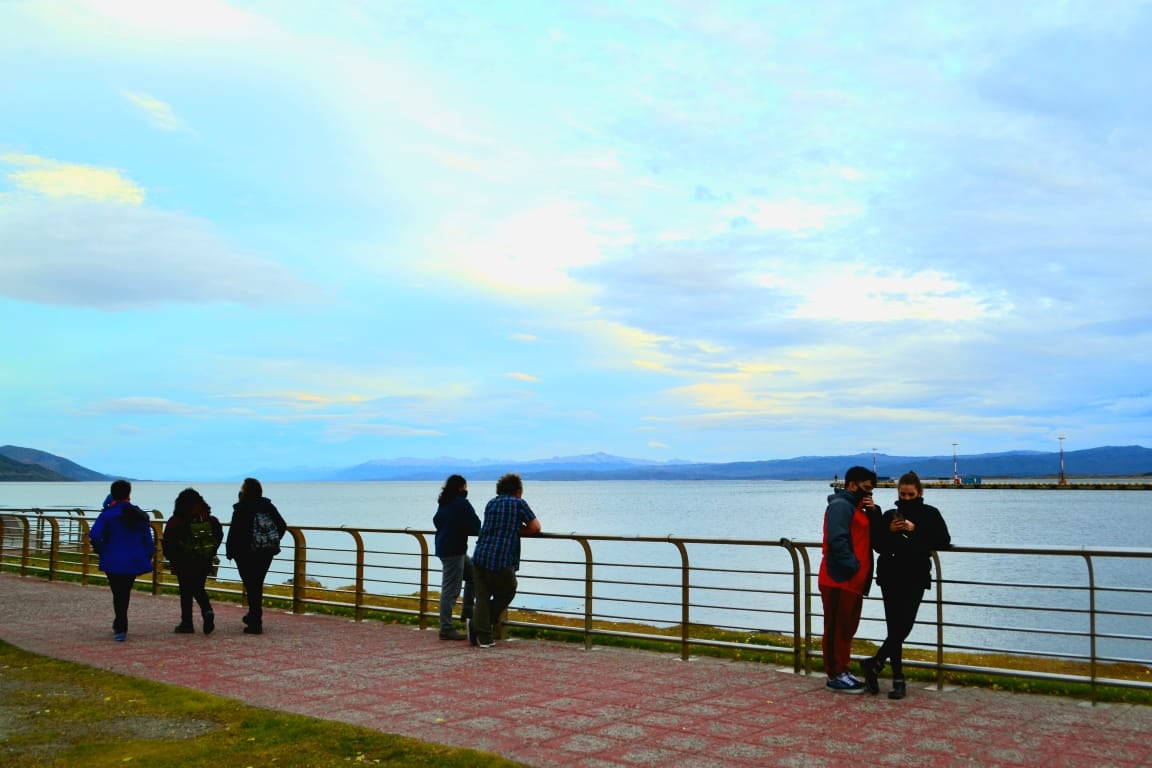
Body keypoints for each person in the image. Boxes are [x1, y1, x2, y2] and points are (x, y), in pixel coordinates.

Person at [861, 471, 952, 699]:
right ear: (898, 492)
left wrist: (914, 529)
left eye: (911, 494)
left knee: (905, 625)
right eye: (903, 494)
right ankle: (897, 679)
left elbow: (944, 540)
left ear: (919, 493)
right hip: (890, 574)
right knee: (895, 627)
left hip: (916, 575)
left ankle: (876, 661)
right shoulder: (890, 514)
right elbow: (879, 545)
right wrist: (889, 531)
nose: (907, 498)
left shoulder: (931, 514)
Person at [818, 465, 880, 693]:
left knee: (846, 628)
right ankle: (835, 673)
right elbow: (837, 540)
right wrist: (853, 567)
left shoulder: (858, 508)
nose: (868, 494)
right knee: (836, 627)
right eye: (865, 489)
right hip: (838, 579)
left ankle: (842, 669)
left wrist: (874, 511)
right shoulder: (841, 506)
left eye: (871, 490)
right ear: (852, 485)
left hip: (852, 582)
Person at [469, 473, 541, 648]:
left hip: (479, 555)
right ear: (518, 491)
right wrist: (516, 529)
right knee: (508, 590)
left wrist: (511, 528)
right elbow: (536, 528)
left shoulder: (491, 503)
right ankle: (479, 627)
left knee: (482, 597)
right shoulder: (519, 504)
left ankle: (482, 633)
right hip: (501, 558)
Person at [88, 479, 155, 642]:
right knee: (124, 592)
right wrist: (147, 555)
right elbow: (148, 539)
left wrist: (103, 550)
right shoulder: (138, 515)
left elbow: (95, 536)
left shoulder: (108, 515)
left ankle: (120, 626)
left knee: (118, 592)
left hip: (112, 560)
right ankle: (119, 623)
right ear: (129, 493)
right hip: (133, 560)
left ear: (112, 493)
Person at [225, 477, 287, 635]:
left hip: (245, 553)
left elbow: (235, 531)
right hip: (266, 552)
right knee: (256, 584)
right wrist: (271, 540)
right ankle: (253, 616)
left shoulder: (242, 508)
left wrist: (230, 550)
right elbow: (282, 525)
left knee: (251, 585)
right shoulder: (267, 505)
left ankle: (255, 620)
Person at [162, 488, 224, 635]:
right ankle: (206, 610)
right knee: (198, 587)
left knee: (186, 590)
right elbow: (218, 536)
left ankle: (187, 622)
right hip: (204, 558)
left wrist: (172, 558)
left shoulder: (177, 521)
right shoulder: (209, 519)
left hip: (184, 560)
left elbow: (168, 542)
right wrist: (211, 551)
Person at [434, 474, 481, 641]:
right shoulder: (462, 503)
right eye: (466, 487)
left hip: (446, 547)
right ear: (462, 487)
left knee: (473, 574)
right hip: (454, 550)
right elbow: (476, 526)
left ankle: (467, 611)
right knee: (451, 589)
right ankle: (446, 628)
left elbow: (438, 521)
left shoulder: (444, 503)